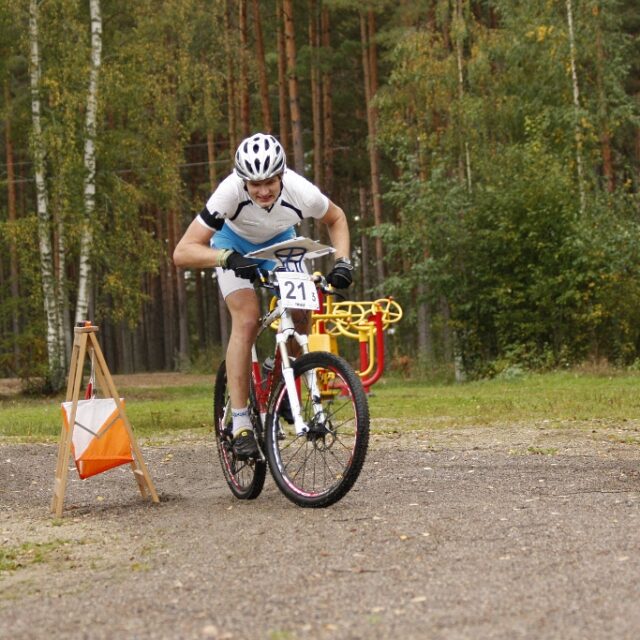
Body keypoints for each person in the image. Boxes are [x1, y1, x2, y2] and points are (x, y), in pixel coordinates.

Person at [173, 133, 353, 458]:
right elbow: (183, 252)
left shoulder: (302, 192)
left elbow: (336, 218)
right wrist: (226, 258)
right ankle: (241, 423)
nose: (263, 190)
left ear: (282, 175)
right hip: (233, 246)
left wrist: (342, 261)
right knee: (247, 319)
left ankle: (284, 384)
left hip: (281, 244)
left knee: (301, 314)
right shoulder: (228, 193)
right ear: (243, 181)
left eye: (269, 181)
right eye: (254, 184)